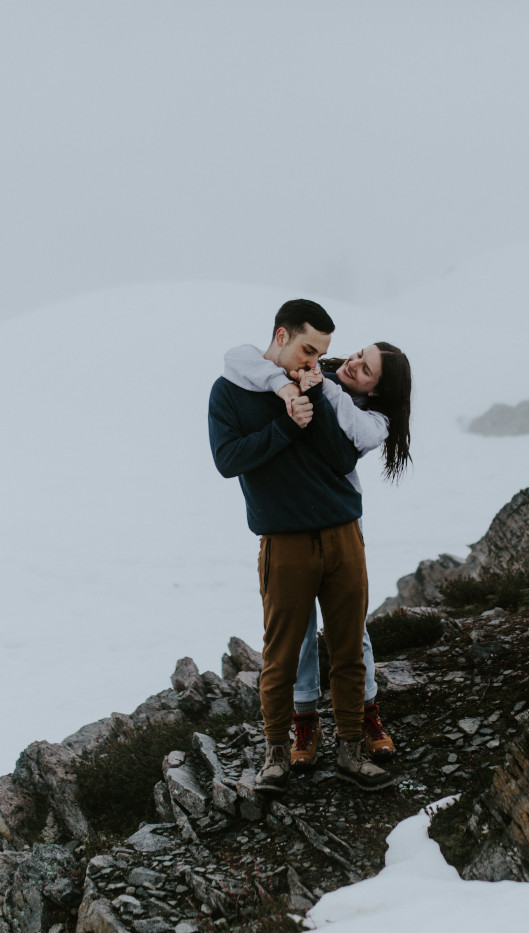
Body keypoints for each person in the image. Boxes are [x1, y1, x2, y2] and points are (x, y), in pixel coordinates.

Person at [208, 299, 394, 793]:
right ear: (281, 335)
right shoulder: (229, 393)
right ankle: (275, 755)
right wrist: (288, 423)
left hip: (342, 535)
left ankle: (351, 752)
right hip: (284, 543)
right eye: (308, 349)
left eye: (322, 353)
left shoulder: (318, 385)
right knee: (281, 653)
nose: (314, 360)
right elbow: (229, 460)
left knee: (349, 646)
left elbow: (338, 460)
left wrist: (318, 402)